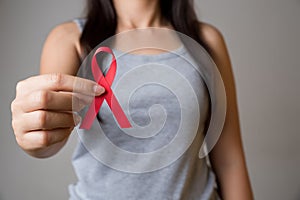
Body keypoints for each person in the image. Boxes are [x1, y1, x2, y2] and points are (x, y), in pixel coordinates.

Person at [11, 0, 254, 199]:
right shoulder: (70, 39)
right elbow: (48, 139)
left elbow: (229, 162)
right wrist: (34, 136)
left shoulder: (206, 41)